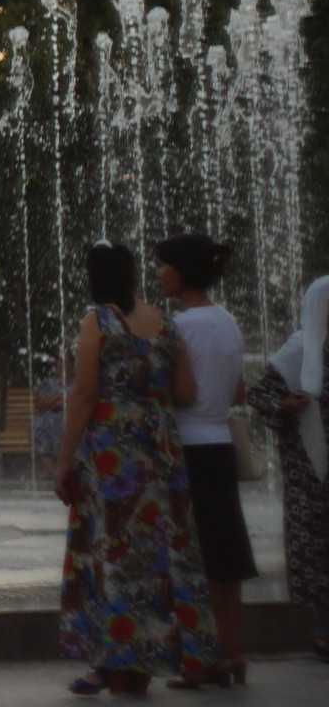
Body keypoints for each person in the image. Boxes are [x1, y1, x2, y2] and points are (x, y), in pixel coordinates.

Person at [55, 241, 216, 695]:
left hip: (113, 455)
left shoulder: (98, 320)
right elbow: (185, 392)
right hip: (163, 455)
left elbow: (85, 395)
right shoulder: (165, 324)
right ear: (131, 274)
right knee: (161, 558)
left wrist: (64, 459)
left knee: (114, 553)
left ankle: (111, 660)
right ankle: (141, 662)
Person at [155, 233, 255, 685]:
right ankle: (232, 653)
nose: (157, 274)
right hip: (220, 445)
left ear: (179, 273)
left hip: (187, 449)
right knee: (225, 557)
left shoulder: (180, 326)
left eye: (162, 266)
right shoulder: (228, 322)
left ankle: (202, 657)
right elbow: (237, 391)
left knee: (192, 560)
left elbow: (183, 392)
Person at [249, 273, 329, 664]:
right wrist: (286, 405)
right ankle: (323, 631)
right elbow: (259, 396)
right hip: (308, 470)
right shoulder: (299, 349)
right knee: (314, 549)